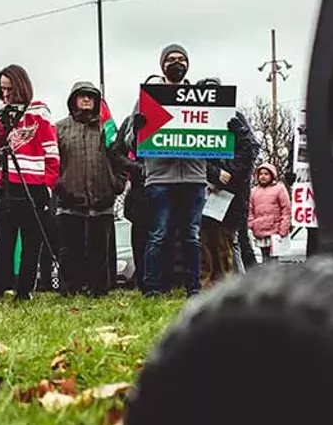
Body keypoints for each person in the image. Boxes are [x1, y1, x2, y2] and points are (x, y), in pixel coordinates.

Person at [113, 44, 208, 296]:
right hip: (160, 177)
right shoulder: (147, 99)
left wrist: (229, 129)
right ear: (162, 65)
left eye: (181, 59)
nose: (177, 63)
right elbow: (130, 143)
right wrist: (139, 127)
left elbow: (215, 137)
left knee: (192, 236)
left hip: (194, 176)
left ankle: (194, 289)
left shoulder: (203, 97)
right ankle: (152, 289)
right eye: (171, 59)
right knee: (158, 234)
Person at [0, 64, 59, 301]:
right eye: (2, 89)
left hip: (34, 183)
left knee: (32, 239)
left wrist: (48, 184)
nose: (5, 94)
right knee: (4, 237)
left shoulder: (40, 112)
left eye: (10, 89)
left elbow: (51, 150)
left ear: (20, 86)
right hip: (6, 180)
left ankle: (24, 290)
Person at [54, 81, 128, 296]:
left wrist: (117, 184)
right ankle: (69, 290)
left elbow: (121, 158)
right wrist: (59, 186)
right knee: (69, 251)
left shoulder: (108, 129)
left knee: (100, 251)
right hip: (69, 200)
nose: (86, 99)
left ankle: (100, 289)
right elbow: (51, 161)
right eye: (82, 95)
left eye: (91, 96)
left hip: (102, 200)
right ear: (73, 100)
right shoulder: (59, 128)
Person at [201, 103, 258, 286]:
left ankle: (236, 285)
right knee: (205, 240)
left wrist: (226, 174)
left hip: (231, 195)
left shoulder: (235, 118)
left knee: (231, 241)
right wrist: (214, 173)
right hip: (203, 191)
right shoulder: (196, 121)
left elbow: (249, 154)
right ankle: (210, 284)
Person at [247, 162, 291, 263]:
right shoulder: (254, 191)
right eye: (261, 174)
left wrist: (283, 229)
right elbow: (250, 210)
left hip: (275, 232)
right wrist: (251, 224)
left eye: (266, 174)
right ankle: (266, 277)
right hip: (260, 230)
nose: (263, 176)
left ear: (272, 175)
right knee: (264, 257)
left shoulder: (279, 189)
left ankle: (275, 277)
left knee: (273, 259)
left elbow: (286, 209)